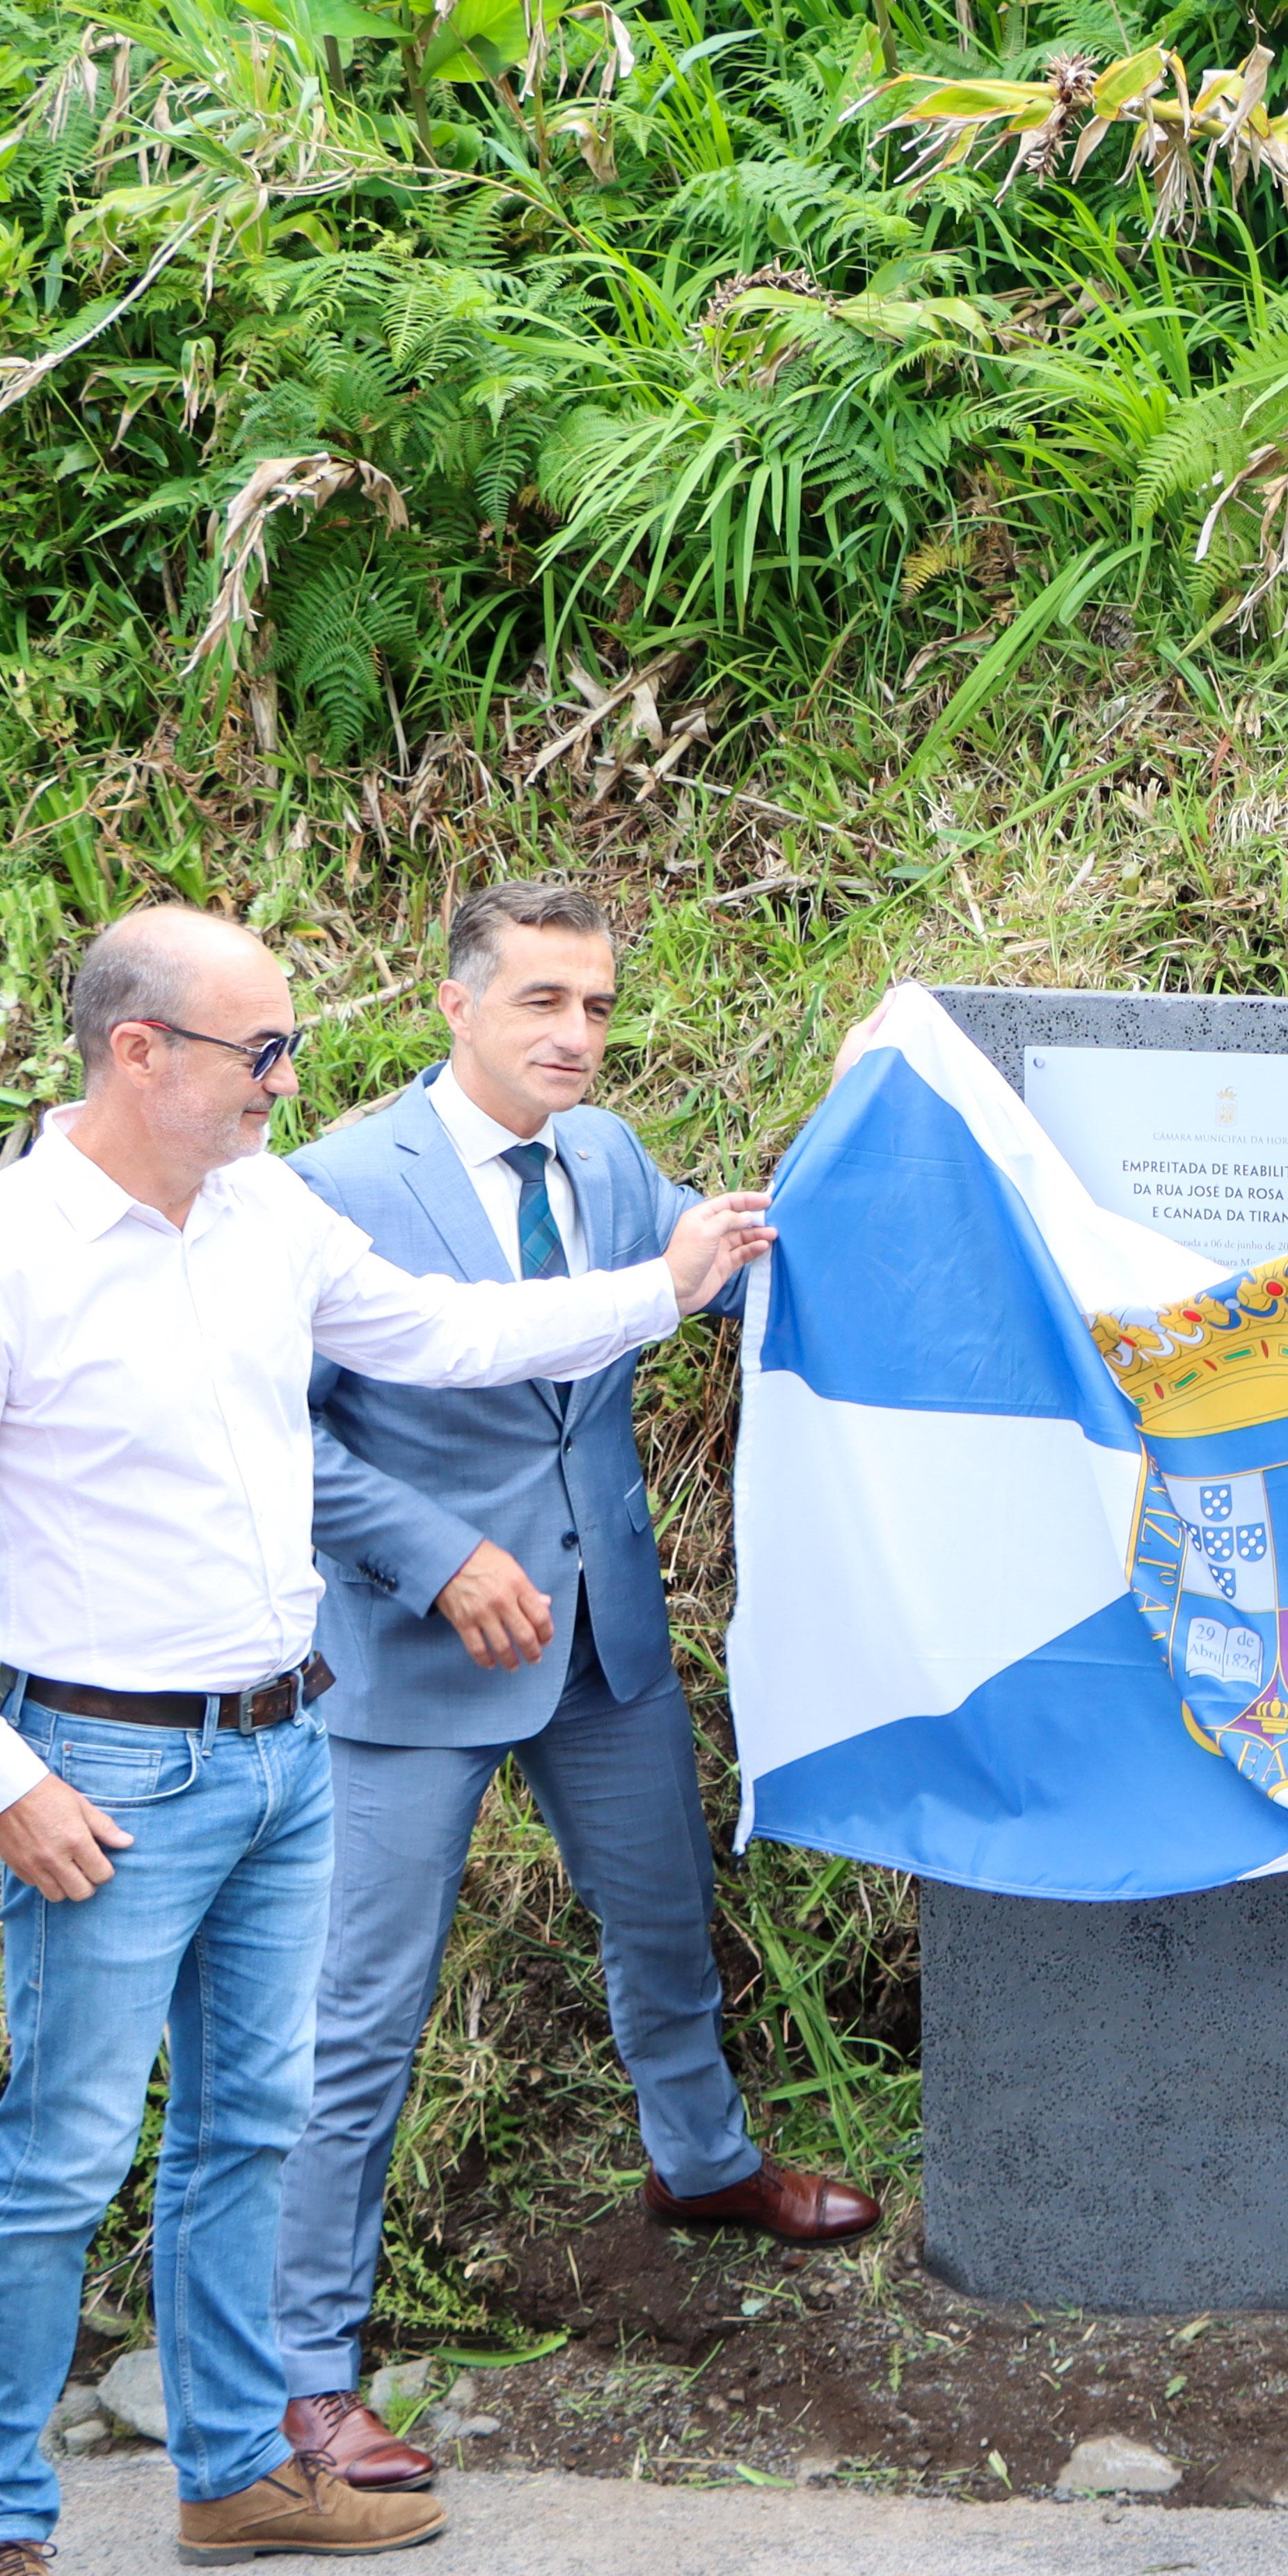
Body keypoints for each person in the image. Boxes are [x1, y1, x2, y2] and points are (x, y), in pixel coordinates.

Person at [0, 905, 773, 2576]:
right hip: (105, 1765)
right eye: (259, 1052)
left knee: (247, 2127)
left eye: (287, 1046)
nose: (287, 1082)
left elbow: (441, 1335)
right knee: (61, 2156)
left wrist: (664, 1284)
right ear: (139, 1050)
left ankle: (233, 2473)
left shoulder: (264, 1214)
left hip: (291, 1741)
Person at [266, 881, 875, 2494]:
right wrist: (433, 1558)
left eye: (598, 1004)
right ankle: (306, 2372)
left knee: (666, 1921)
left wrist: (873, 1127)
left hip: (604, 1638)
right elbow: (274, 1428)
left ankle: (703, 2164)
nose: (577, 1034)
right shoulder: (336, 1183)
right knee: (362, 2014)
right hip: (414, 1657)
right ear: (455, 1004)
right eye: (543, 1000)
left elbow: (718, 1273)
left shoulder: (604, 1157)